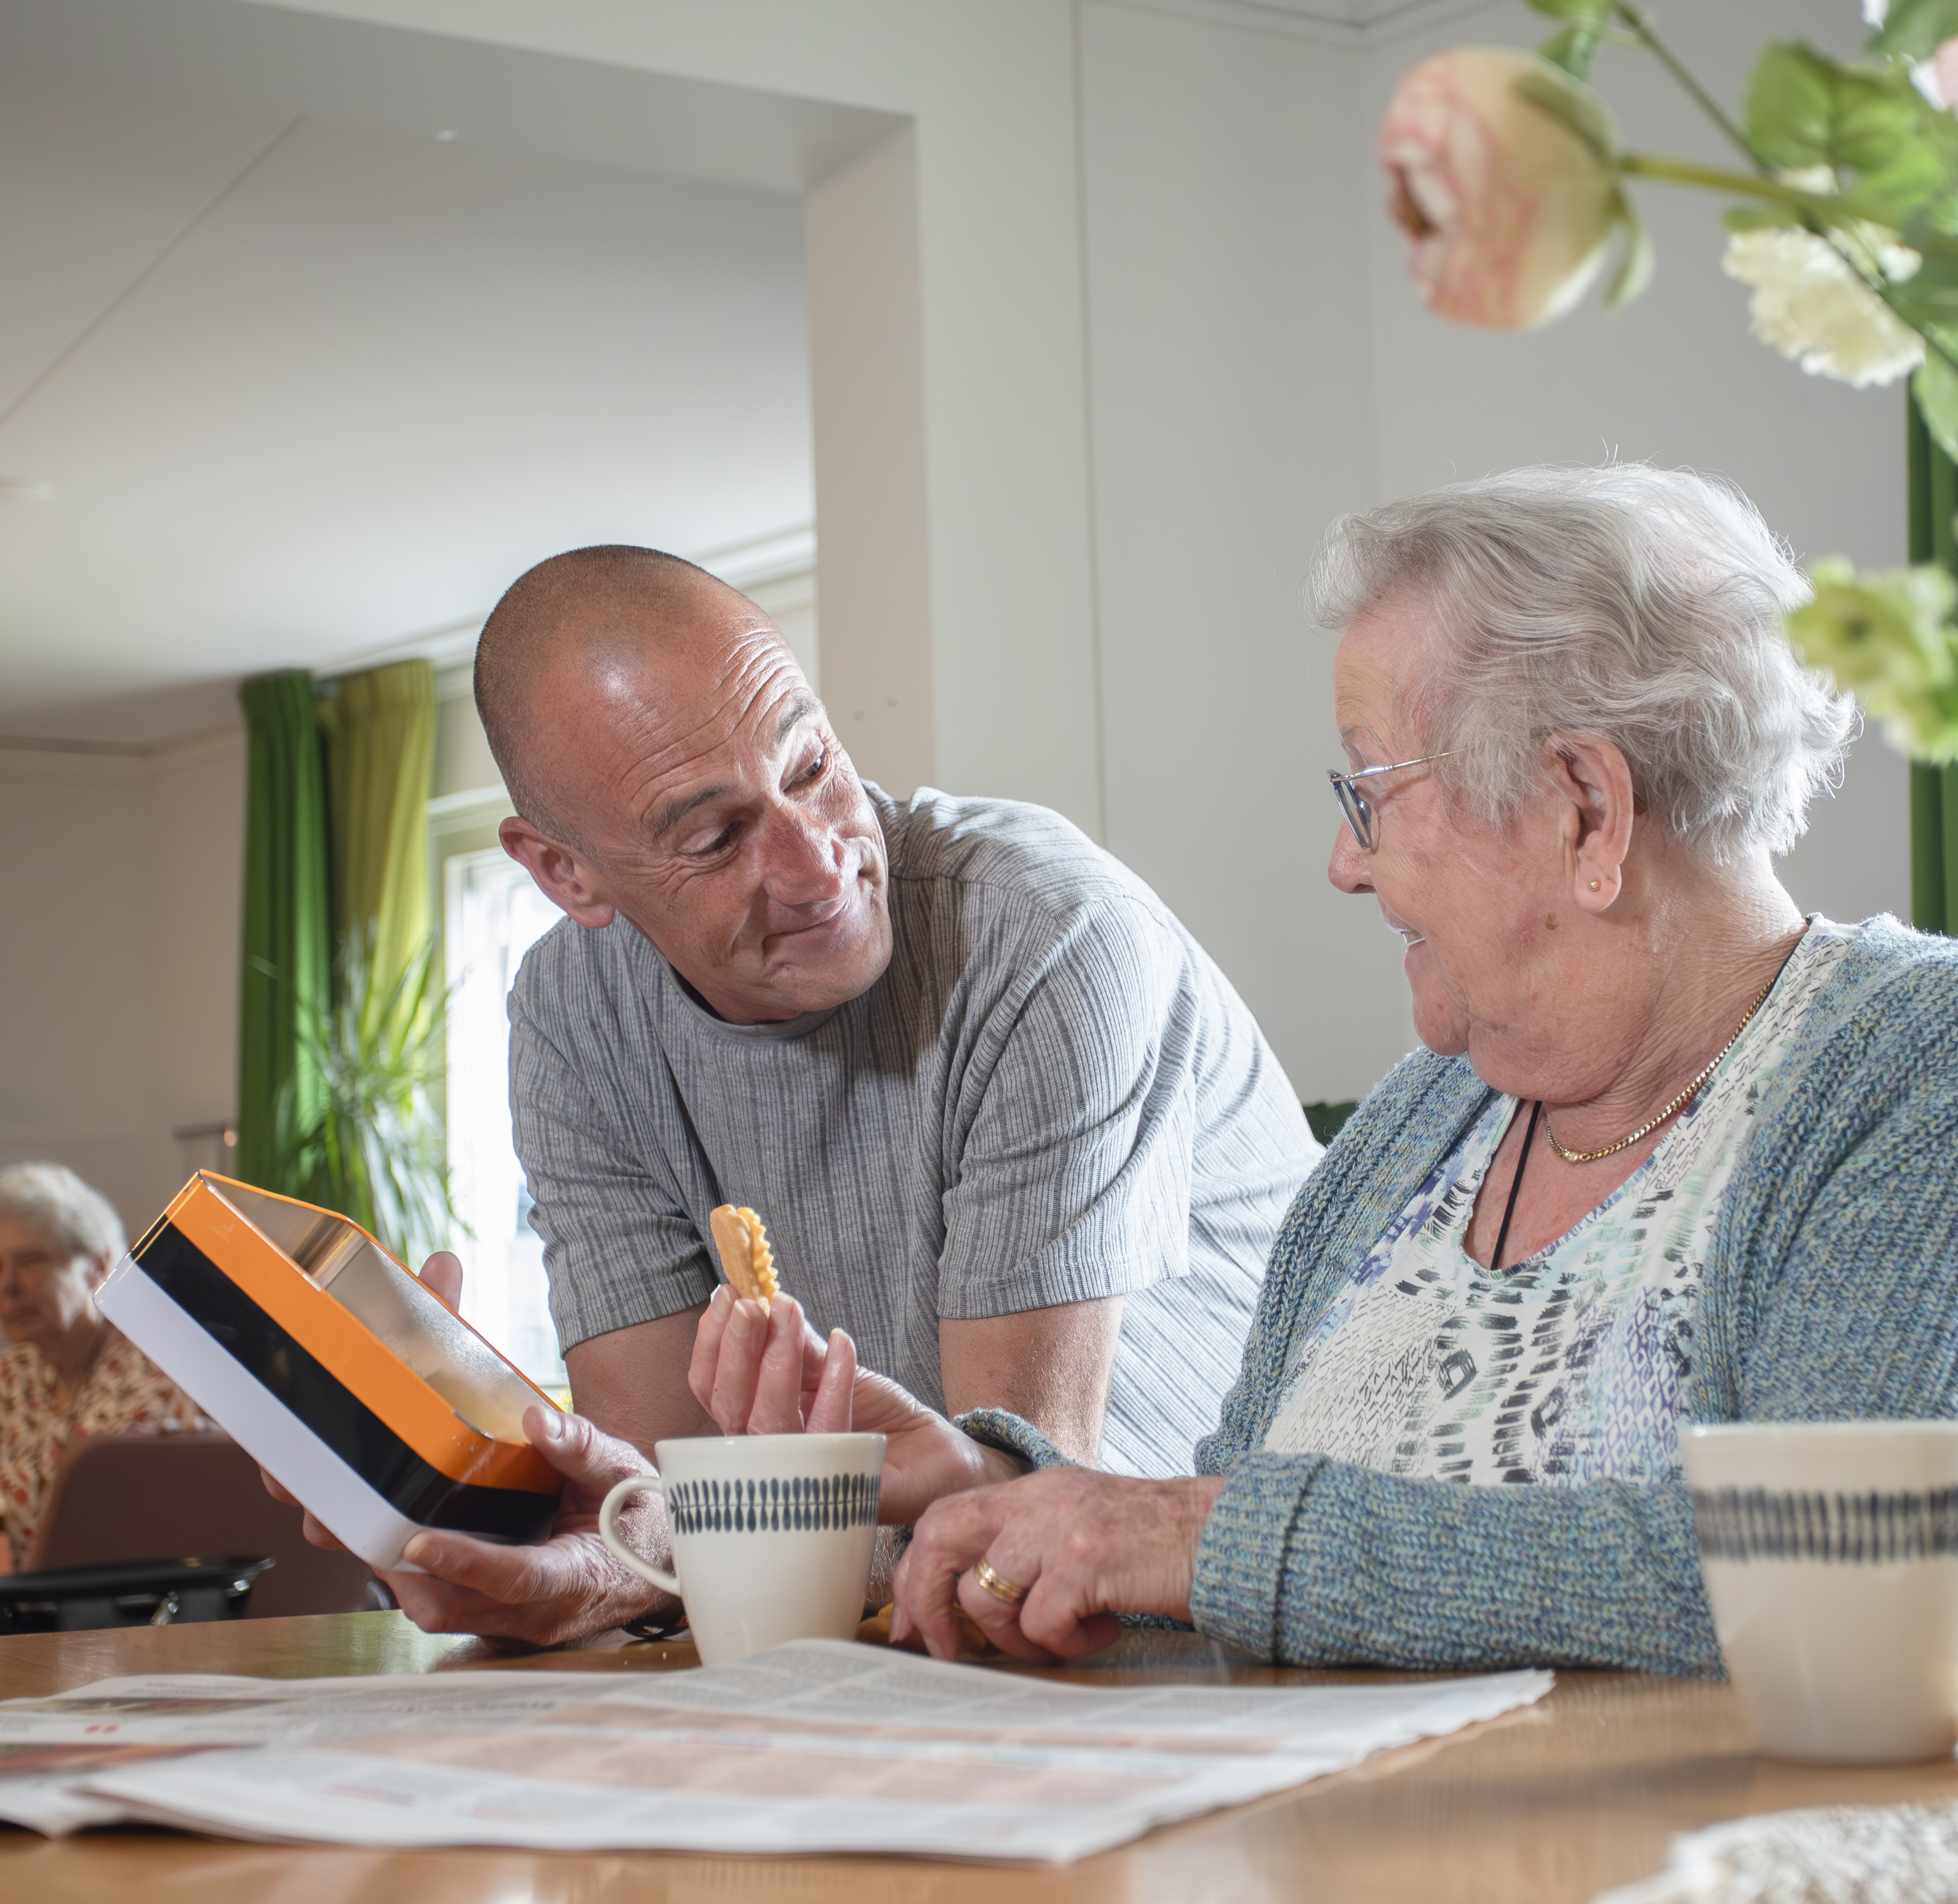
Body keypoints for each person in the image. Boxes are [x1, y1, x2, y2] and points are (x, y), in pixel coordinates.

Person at [698, 463, 1958, 1707]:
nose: (1345, 862)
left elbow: (1897, 1608)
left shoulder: (1955, 1071)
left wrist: (1219, 1543)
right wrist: (989, 1492)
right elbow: (1230, 1553)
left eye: (1370, 792)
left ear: (1585, 808)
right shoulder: (1420, 1125)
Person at [330, 544, 1318, 1643]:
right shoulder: (575, 1013)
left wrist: (675, 1551)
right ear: (565, 872)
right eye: (714, 837)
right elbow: (662, 1492)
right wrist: (533, 1517)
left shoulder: (1046, 935)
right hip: (919, 1628)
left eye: (810, 768)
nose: (819, 866)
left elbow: (1012, 1525)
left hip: (1244, 1621)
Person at [0, 1163, 208, 1577]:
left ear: (99, 1265)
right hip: (43, 1611)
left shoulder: (172, 1361)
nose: (8, 1286)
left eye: (31, 1260)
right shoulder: (11, 1380)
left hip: (166, 1605)